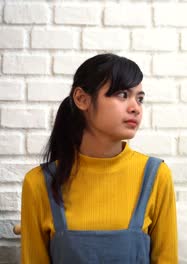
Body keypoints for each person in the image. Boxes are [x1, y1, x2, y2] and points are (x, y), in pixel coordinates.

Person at [21, 53, 178, 263]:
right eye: (122, 94)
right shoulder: (39, 183)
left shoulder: (155, 175)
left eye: (139, 99)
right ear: (82, 99)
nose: (135, 108)